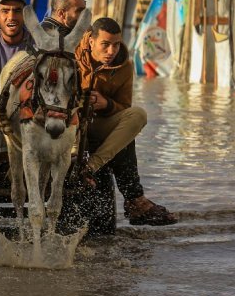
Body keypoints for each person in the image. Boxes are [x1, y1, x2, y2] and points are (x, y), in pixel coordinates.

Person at [74, 16, 177, 226]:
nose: (111, 51)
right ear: (91, 41)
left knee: (137, 115)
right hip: (70, 126)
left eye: (116, 45)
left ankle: (91, 167)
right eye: (105, 44)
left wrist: (106, 104)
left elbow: (124, 107)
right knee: (125, 144)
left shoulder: (124, 67)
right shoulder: (71, 57)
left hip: (98, 125)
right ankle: (135, 200)